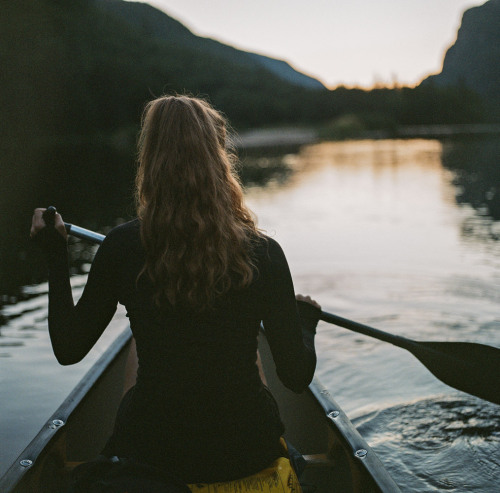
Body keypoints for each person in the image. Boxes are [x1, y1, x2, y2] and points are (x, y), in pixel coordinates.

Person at [31, 95, 321, 491]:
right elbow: (295, 376)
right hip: (247, 448)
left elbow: (68, 348)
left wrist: (55, 254)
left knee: (138, 346)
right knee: (246, 349)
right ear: (218, 159)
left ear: (149, 160)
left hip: (154, 455)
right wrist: (305, 323)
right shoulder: (264, 252)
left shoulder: (122, 245)